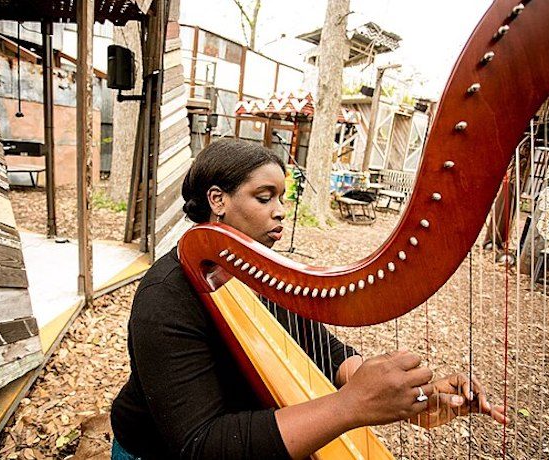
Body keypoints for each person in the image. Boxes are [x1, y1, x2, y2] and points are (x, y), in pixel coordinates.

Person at [110, 139, 507, 460]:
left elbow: (323, 351)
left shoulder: (263, 272)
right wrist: (351, 406)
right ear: (218, 200)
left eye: (283, 198)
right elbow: (200, 444)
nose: (281, 212)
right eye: (265, 198)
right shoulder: (165, 295)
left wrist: (413, 397)